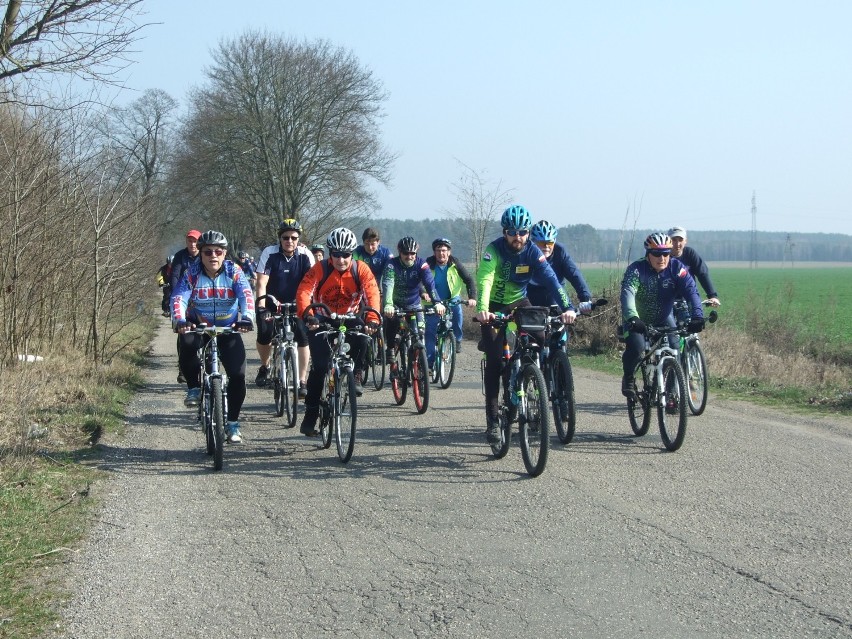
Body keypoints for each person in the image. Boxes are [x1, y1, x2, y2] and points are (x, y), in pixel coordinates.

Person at [476, 205, 577, 445]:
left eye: (522, 232)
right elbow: (485, 278)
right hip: (493, 307)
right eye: (512, 232)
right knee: (496, 361)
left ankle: (533, 385)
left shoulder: (533, 252)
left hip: (520, 302)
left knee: (539, 341)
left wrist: (568, 307)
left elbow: (551, 280)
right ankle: (492, 420)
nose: (517, 237)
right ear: (505, 232)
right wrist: (483, 309)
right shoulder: (494, 250)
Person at [171, 230, 255, 443]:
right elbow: (179, 297)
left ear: (225, 253)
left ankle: (233, 424)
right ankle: (193, 387)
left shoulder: (234, 272)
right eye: (208, 252)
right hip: (199, 326)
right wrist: (179, 320)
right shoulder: (192, 272)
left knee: (237, 375)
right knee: (187, 342)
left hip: (228, 328)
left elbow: (246, 295)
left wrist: (247, 318)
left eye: (218, 251)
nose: (213, 256)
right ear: (200, 253)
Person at [295, 228, 381, 436]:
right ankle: (311, 414)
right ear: (330, 253)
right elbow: (304, 292)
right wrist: (308, 315)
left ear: (352, 254)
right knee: (321, 367)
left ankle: (356, 373)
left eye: (346, 255)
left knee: (363, 341)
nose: (341, 260)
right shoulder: (320, 269)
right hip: (322, 318)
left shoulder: (361, 269)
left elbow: (372, 293)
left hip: (351, 316)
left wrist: (372, 318)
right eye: (336, 255)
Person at [620, 232, 705, 397]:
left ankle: (672, 391)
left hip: (664, 316)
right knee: (637, 350)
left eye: (666, 253)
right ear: (648, 254)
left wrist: (697, 316)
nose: (662, 258)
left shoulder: (676, 268)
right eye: (657, 254)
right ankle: (629, 377)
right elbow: (627, 295)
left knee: (674, 350)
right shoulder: (637, 269)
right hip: (637, 318)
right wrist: (632, 317)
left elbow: (692, 292)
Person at [254, 219, 313, 400]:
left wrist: (310, 308)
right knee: (264, 333)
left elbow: (312, 284)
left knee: (303, 336)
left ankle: (302, 380)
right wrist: (262, 307)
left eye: (293, 237)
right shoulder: (269, 253)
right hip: (272, 303)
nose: (289, 241)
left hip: (298, 304)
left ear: (298, 238)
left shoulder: (305, 255)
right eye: (285, 237)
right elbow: (261, 282)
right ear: (279, 238)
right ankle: (266, 365)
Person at [382, 237, 446, 365]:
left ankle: (419, 364)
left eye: (412, 253)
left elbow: (429, 284)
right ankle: (390, 348)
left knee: (420, 333)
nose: (409, 256)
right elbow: (388, 284)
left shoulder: (421, 264)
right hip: (395, 304)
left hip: (414, 304)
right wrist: (388, 304)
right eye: (406, 253)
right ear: (400, 252)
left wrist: (437, 302)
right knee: (392, 322)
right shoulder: (391, 264)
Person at [423, 238, 476, 371]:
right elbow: (419, 281)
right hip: (433, 301)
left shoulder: (455, 263)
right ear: (434, 252)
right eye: (439, 251)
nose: (442, 253)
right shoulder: (428, 264)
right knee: (430, 331)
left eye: (444, 251)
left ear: (449, 252)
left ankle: (457, 339)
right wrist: (424, 293)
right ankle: (429, 363)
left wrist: (472, 298)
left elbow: (469, 280)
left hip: (452, 298)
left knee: (457, 312)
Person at [527, 220, 592, 314]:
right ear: (533, 242)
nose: (546, 247)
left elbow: (575, 275)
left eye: (549, 243)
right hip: (530, 297)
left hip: (555, 297)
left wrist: (585, 298)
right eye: (541, 243)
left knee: (561, 322)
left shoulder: (560, 252)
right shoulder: (526, 253)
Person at [169, 229, 202, 384]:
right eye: (190, 240)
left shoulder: (206, 255)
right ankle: (183, 367)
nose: (193, 244)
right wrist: (177, 296)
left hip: (202, 297)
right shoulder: (180, 256)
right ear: (186, 241)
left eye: (195, 241)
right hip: (184, 296)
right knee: (182, 331)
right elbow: (175, 276)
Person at [668, 226, 721, 309]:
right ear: (668, 241)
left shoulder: (690, 254)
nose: (677, 244)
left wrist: (712, 296)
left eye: (680, 240)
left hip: (688, 299)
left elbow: (702, 274)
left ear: (685, 241)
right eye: (674, 240)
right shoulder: (662, 256)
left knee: (697, 320)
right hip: (667, 301)